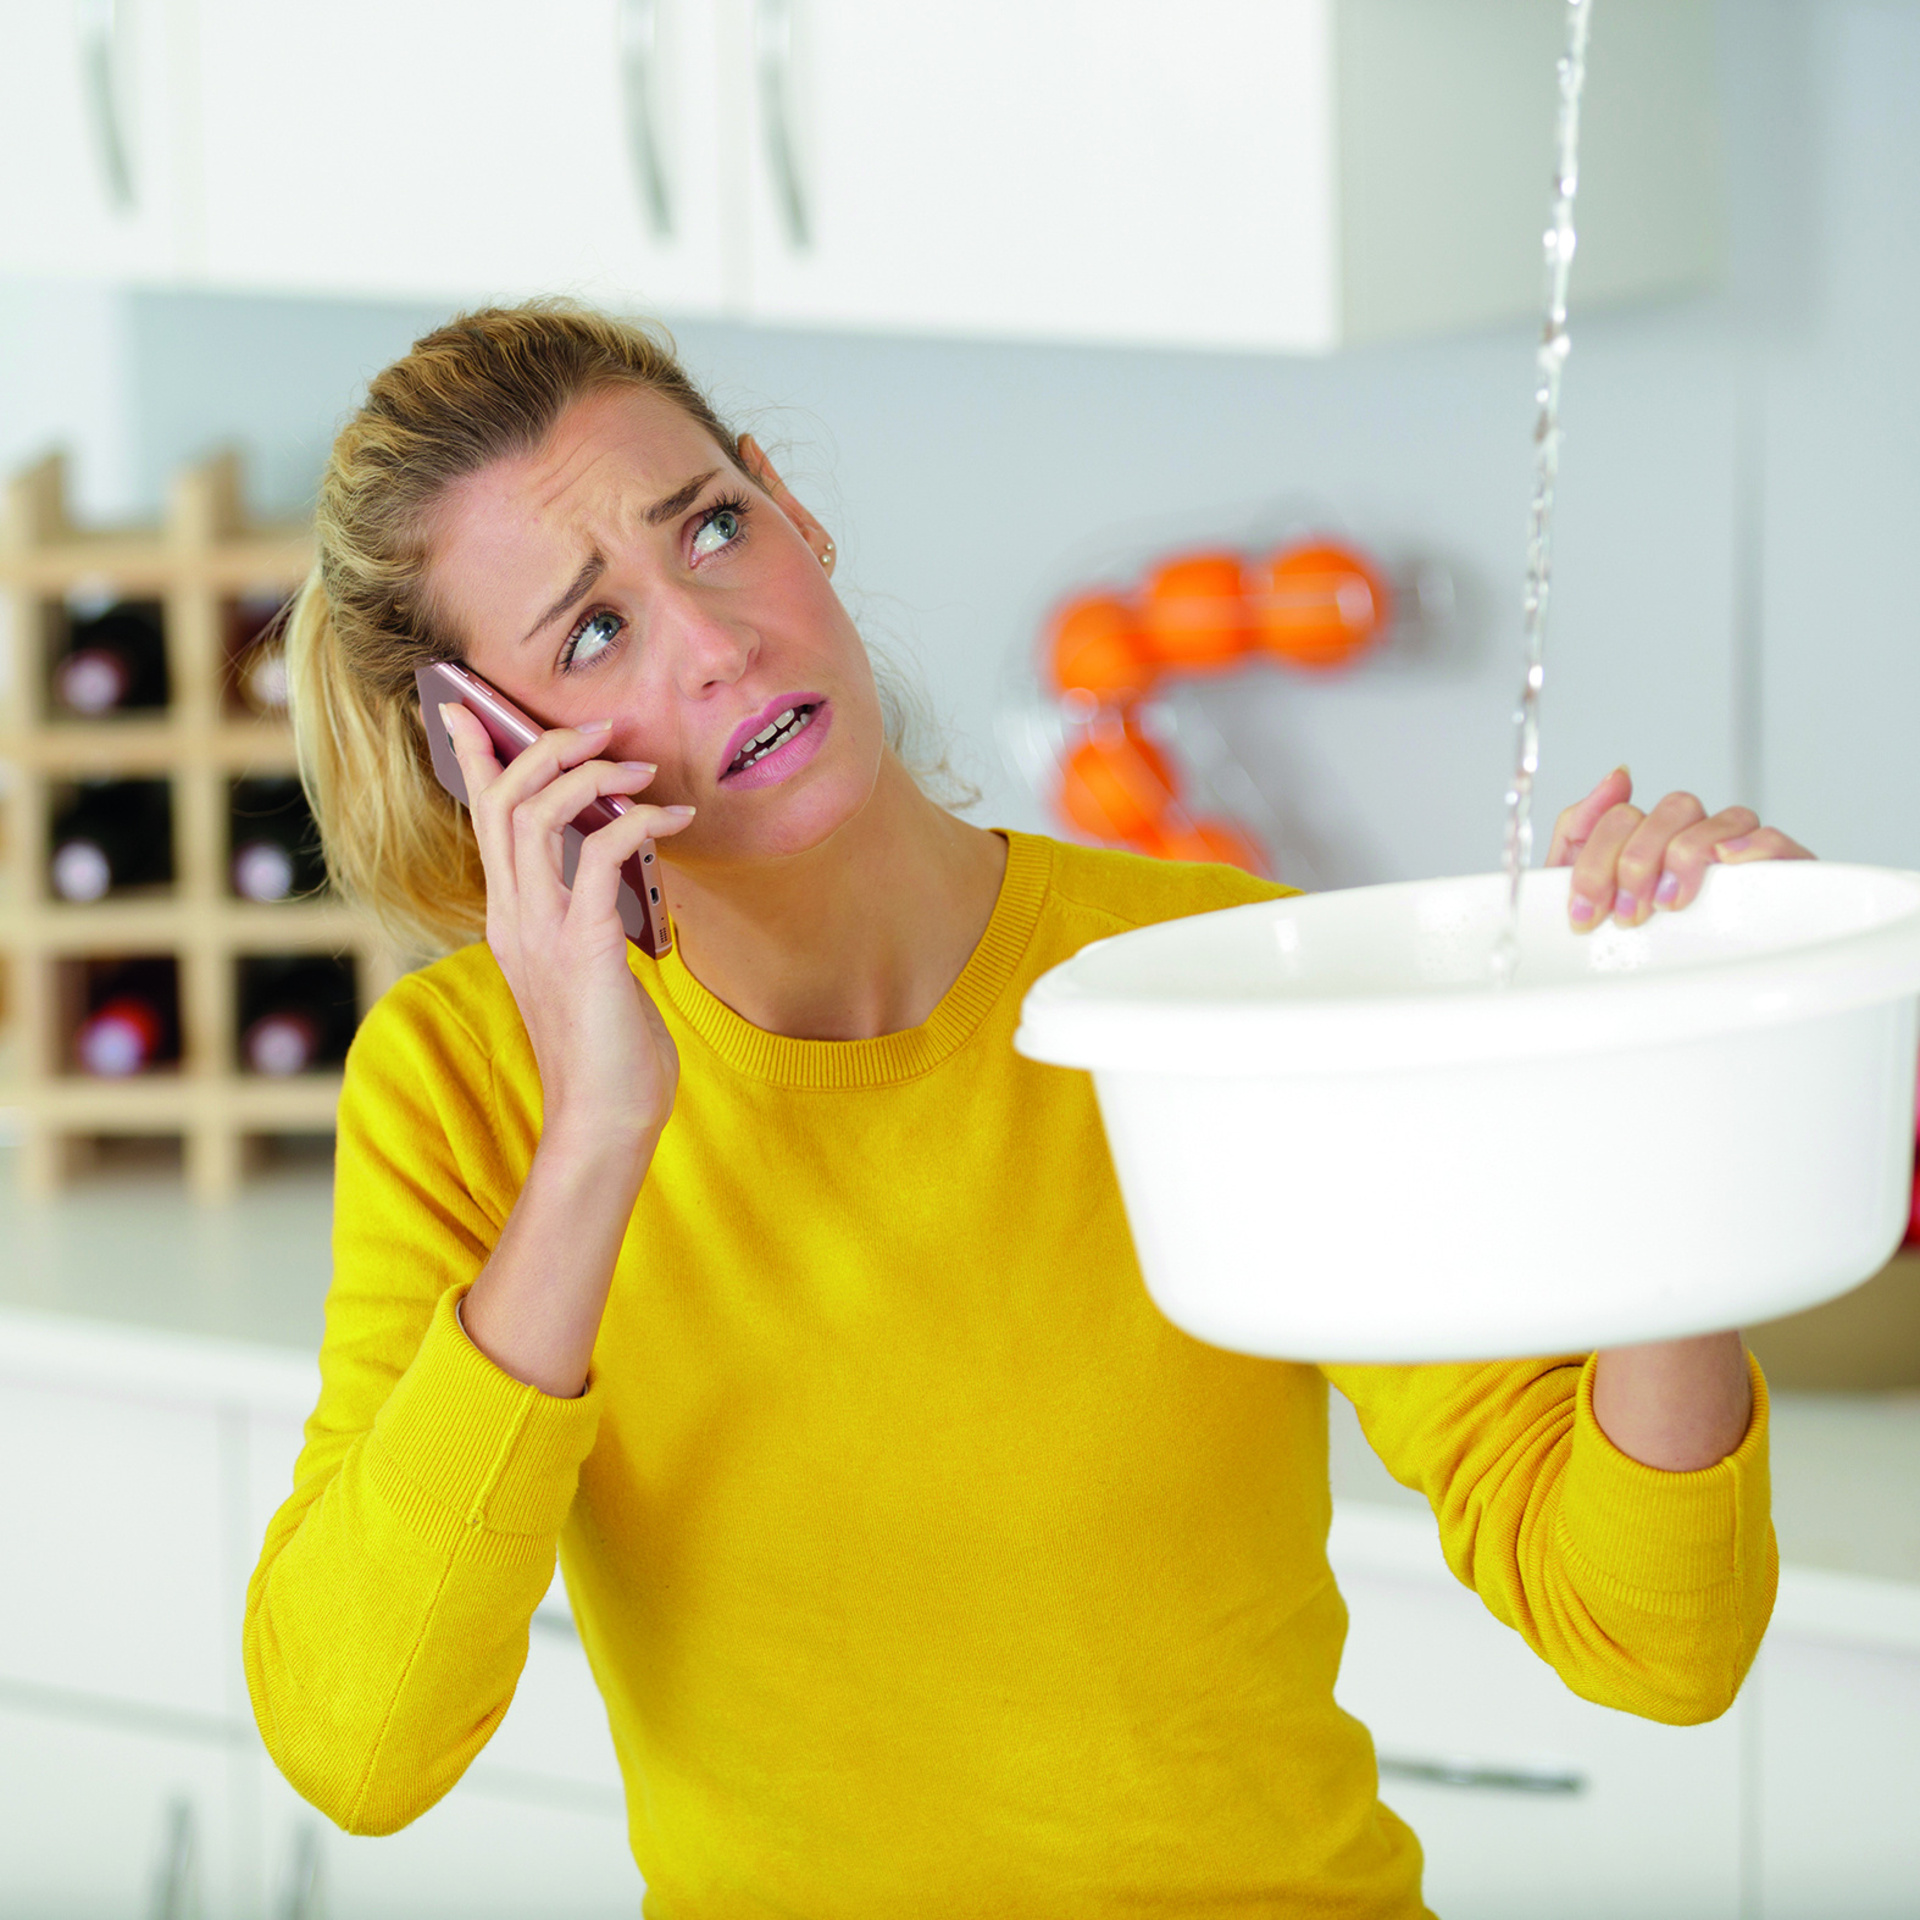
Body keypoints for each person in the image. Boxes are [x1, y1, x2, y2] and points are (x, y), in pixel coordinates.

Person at [248, 302, 1808, 1917]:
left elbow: (1660, 1639)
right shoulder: (465, 1094)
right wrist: (594, 1145)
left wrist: (1673, 1089)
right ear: (484, 756)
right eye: (591, 636)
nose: (717, 641)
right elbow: (360, 1744)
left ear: (794, 507)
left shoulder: (1208, 987)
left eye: (715, 526)